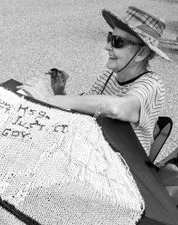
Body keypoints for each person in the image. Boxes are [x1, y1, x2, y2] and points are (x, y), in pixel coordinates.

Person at [19, 6, 168, 158]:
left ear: (142, 53)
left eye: (117, 42)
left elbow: (116, 107)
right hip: (98, 151)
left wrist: (48, 99)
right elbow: (82, 110)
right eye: (110, 37)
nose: (107, 46)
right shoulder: (109, 74)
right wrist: (60, 92)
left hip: (125, 166)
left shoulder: (151, 85)